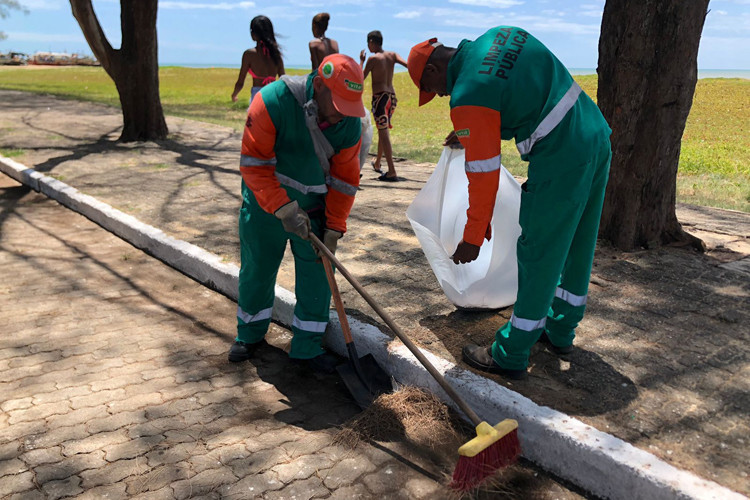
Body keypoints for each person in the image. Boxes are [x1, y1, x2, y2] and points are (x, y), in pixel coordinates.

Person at [407, 27, 612, 379]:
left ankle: (511, 351)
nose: (440, 96)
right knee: (578, 243)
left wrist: (473, 235)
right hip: (594, 135)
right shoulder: (502, 35)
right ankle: (561, 330)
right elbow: (517, 91)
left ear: (432, 71)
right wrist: (473, 131)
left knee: (539, 252)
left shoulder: (467, 95)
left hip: (560, 157)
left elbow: (484, 174)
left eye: (433, 90)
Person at [229, 54, 365, 374]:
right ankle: (249, 334)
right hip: (265, 206)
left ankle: (307, 348)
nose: (341, 116)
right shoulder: (272, 101)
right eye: (339, 104)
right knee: (257, 270)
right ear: (319, 86)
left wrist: (334, 227)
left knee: (318, 275)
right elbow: (253, 165)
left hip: (315, 208)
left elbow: (346, 181)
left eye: (350, 106)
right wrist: (283, 207)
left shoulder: (349, 124)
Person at [360, 30, 407, 182]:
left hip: (380, 99)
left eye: (368, 43)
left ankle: (392, 170)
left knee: (383, 132)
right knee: (383, 130)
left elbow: (360, 78)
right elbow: (407, 64)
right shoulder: (392, 55)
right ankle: (378, 162)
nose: (368, 46)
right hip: (391, 99)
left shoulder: (373, 59)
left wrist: (361, 61)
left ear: (372, 42)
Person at [231, 15, 285, 106]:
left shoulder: (249, 54)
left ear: (253, 34)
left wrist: (234, 95)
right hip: (274, 97)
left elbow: (240, 82)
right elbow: (283, 80)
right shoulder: (276, 54)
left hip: (258, 96)